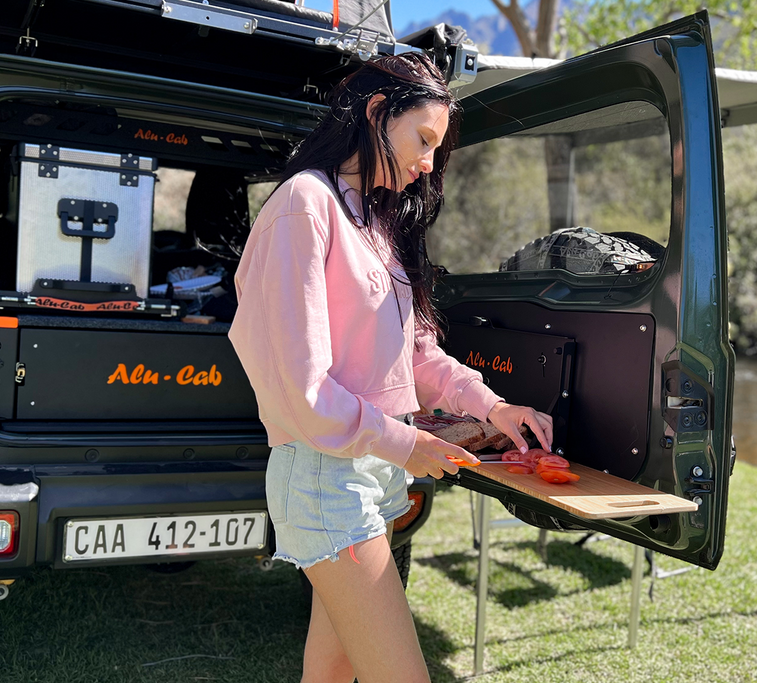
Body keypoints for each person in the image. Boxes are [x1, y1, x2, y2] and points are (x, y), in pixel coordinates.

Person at [227, 53, 553, 683]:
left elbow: (417, 351)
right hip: (325, 474)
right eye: (423, 140)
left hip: (368, 472)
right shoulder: (305, 204)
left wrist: (491, 407)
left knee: (333, 669)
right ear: (379, 111)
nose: (430, 163)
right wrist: (409, 445)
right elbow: (306, 389)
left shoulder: (376, 220)